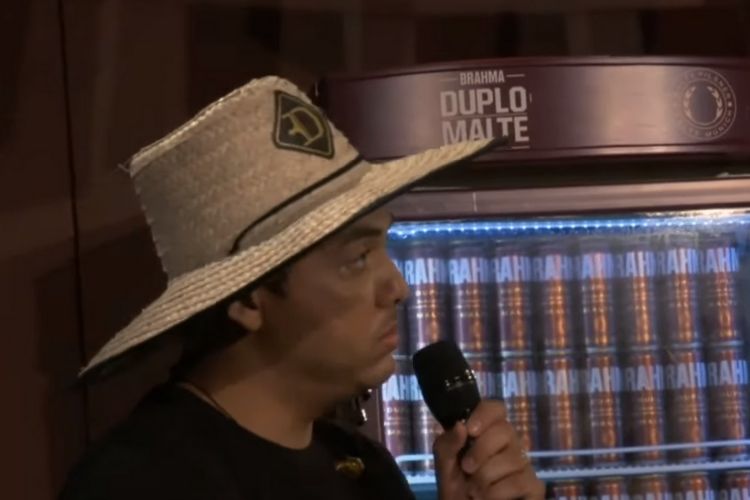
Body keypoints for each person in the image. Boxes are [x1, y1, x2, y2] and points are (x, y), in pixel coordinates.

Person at [61, 76, 544, 500]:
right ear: (248, 299)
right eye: (358, 259)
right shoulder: (142, 482)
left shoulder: (366, 470)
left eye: (383, 246)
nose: (397, 287)